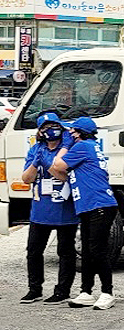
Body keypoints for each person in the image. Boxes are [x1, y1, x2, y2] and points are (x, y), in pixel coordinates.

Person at [50, 117, 117, 310]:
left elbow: (58, 164)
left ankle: (107, 292)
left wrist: (65, 146)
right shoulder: (90, 147)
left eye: (72, 131)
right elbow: (63, 172)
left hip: (98, 205)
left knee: (98, 250)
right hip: (90, 205)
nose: (69, 134)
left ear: (79, 133)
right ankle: (86, 291)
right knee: (87, 251)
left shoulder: (83, 147)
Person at [19, 112, 77, 305]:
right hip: (40, 209)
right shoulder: (36, 149)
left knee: (65, 252)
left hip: (64, 209)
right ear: (40, 132)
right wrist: (36, 161)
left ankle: (62, 291)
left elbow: (66, 177)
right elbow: (26, 179)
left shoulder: (68, 149)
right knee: (34, 251)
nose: (50, 130)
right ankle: (34, 289)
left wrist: (49, 164)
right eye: (45, 128)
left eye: (54, 126)